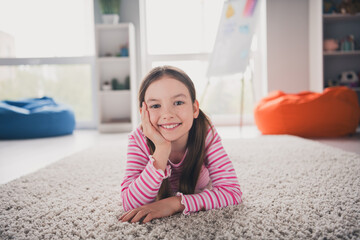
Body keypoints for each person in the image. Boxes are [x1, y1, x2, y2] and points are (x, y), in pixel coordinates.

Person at [119, 66, 242, 223]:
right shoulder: (138, 139)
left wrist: (175, 204)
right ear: (143, 113)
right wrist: (162, 149)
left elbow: (232, 192)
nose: (168, 114)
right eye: (155, 106)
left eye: (178, 102)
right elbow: (130, 203)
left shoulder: (205, 133)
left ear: (194, 108)